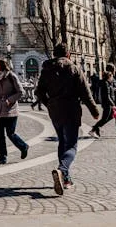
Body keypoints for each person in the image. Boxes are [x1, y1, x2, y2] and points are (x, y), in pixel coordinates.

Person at [35, 43, 99, 196]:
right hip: (71, 110)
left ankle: (66, 179)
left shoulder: (46, 69)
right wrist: (94, 111)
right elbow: (85, 92)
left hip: (55, 111)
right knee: (71, 145)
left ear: (54, 54)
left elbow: (39, 91)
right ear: (68, 54)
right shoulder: (75, 69)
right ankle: (62, 170)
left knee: (62, 142)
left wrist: (49, 104)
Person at [0, 58, 29, 165]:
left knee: (10, 133)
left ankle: (23, 146)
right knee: (0, 135)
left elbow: (20, 92)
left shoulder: (11, 76)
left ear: (2, 65)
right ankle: (2, 157)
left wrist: (9, 100)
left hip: (10, 110)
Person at [89, 65, 116, 139]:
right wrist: (113, 103)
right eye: (114, 69)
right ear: (111, 71)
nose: (115, 70)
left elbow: (112, 89)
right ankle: (94, 129)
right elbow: (107, 94)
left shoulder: (110, 80)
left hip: (113, 101)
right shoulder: (107, 82)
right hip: (110, 103)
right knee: (106, 118)